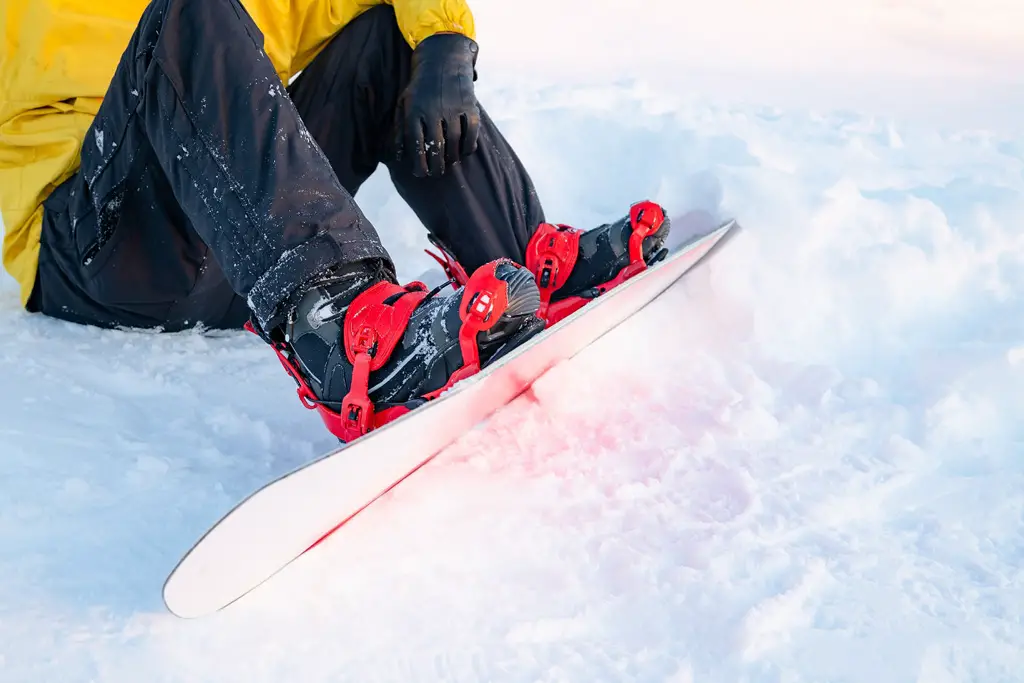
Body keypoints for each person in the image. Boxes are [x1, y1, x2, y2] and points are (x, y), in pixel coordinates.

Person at [0, 0, 671, 441]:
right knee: (186, 13)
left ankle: (520, 265)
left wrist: (445, 43)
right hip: (98, 248)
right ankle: (340, 333)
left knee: (386, 34)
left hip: (236, 247)